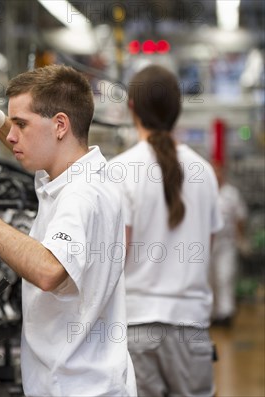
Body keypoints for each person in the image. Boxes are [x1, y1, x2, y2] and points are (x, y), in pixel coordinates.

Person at [0, 65, 136, 396]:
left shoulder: (81, 195)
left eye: (21, 124)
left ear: (60, 125)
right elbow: (37, 148)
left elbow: (49, 270)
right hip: (79, 378)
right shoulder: (76, 173)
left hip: (78, 387)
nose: (12, 136)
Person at [108, 64, 223, 396]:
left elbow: (117, 257)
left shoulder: (119, 172)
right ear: (178, 109)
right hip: (192, 328)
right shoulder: (204, 172)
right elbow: (208, 247)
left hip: (136, 327)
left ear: (132, 107)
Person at [210, 162, 248, 326]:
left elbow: (240, 217)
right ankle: (212, 313)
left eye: (219, 172)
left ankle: (226, 313)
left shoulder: (232, 193)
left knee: (225, 276)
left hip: (227, 244)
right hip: (207, 245)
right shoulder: (206, 191)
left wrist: (241, 239)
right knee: (209, 279)